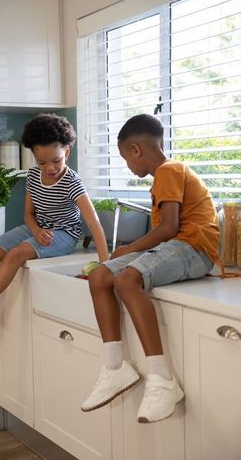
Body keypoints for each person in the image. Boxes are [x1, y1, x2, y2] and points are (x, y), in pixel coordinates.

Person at [81, 113, 219, 423]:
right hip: (172, 248)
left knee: (127, 281)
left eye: (124, 158)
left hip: (194, 250)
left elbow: (169, 228)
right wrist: (118, 256)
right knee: (100, 275)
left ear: (135, 150)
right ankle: (115, 368)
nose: (127, 166)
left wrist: (127, 250)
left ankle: (162, 380)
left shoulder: (169, 171)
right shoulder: (164, 175)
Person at [0, 113, 109, 348]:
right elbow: (28, 215)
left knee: (15, 254)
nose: (50, 168)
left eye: (56, 160)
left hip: (64, 234)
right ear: (34, 156)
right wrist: (36, 230)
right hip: (37, 228)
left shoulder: (72, 182)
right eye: (42, 162)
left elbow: (93, 222)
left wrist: (106, 264)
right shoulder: (33, 176)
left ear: (67, 153)